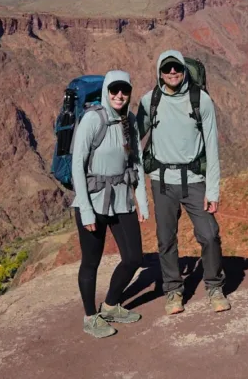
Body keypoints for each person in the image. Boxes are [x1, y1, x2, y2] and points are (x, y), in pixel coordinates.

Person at [137, 50, 230, 315]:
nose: (172, 73)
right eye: (167, 70)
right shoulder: (150, 100)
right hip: (162, 181)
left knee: (209, 234)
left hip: (195, 180)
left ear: (184, 69)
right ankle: (174, 290)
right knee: (166, 239)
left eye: (176, 68)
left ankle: (214, 286)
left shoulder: (200, 100)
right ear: (159, 72)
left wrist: (212, 190)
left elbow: (211, 146)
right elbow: (133, 136)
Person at [71, 70, 149, 338]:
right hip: (92, 200)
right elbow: (77, 166)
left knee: (134, 257)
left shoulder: (130, 121)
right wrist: (86, 210)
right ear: (106, 91)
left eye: (124, 91)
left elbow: (135, 162)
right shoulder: (93, 119)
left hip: (121, 199)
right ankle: (91, 317)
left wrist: (142, 203)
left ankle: (111, 305)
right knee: (91, 262)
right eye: (114, 90)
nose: (119, 95)